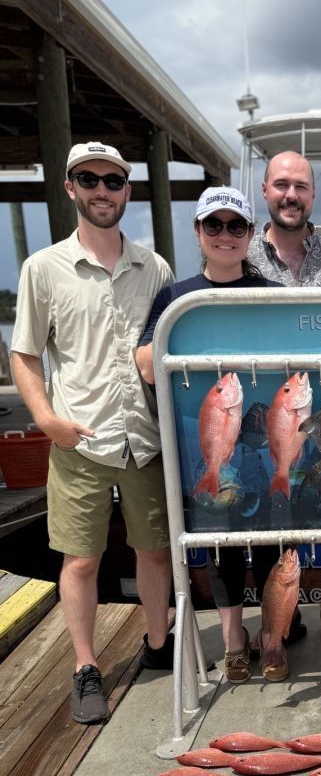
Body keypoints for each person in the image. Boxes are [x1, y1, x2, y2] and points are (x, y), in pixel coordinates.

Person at [11, 141, 175, 725]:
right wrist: (47, 420)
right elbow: (25, 356)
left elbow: (169, 352)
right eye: (90, 179)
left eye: (113, 181)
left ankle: (160, 647)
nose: (102, 190)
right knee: (80, 560)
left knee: (154, 550)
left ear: (127, 191)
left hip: (147, 440)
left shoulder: (155, 267)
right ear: (70, 186)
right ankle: (85, 666)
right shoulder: (43, 268)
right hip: (79, 439)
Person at [136, 186, 304, 684]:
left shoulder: (273, 293)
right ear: (198, 232)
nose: (225, 236)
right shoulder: (176, 297)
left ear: (251, 234)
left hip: (267, 433)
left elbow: (307, 347)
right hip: (207, 438)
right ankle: (234, 641)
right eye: (215, 225)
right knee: (221, 541)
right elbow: (146, 363)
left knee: (276, 539)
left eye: (236, 226)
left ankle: (272, 637)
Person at [247, 150, 321, 286]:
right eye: (281, 184)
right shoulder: (244, 258)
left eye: (301, 186)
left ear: (313, 193)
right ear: (265, 190)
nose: (292, 195)